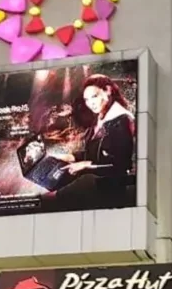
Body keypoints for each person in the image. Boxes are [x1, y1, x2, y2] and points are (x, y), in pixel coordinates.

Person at [54, 74, 135, 202]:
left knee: (59, 196)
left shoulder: (122, 120)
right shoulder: (101, 116)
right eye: (86, 99)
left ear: (108, 91)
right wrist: (72, 157)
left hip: (111, 185)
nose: (90, 103)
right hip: (96, 178)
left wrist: (86, 165)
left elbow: (121, 165)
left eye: (94, 96)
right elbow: (95, 152)